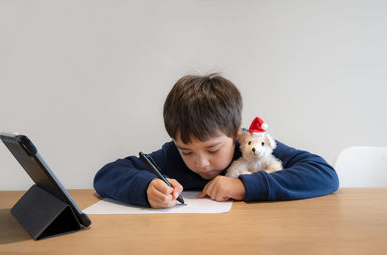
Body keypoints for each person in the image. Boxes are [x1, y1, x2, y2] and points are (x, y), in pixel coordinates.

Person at [93, 73, 339, 209]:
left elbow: (324, 174)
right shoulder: (171, 157)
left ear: (236, 133)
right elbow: (106, 175)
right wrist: (146, 187)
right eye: (186, 151)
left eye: (212, 149)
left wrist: (244, 187)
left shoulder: (252, 149)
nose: (200, 163)